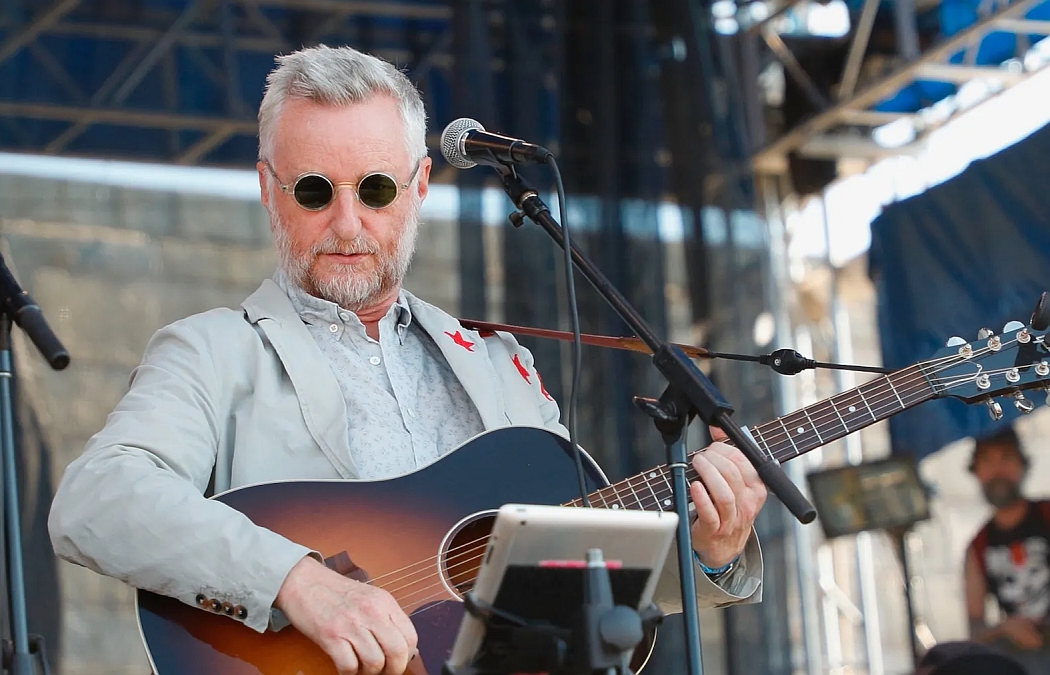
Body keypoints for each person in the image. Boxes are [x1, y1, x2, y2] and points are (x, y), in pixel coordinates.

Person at [48, 44, 767, 675]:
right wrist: (296, 580)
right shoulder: (211, 352)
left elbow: (570, 570)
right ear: (269, 190)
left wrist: (708, 551)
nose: (347, 223)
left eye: (376, 189)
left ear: (419, 186)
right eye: (313, 191)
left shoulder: (498, 364)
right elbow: (96, 500)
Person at [964, 426, 1050, 672]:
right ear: (976, 471)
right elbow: (975, 628)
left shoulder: (1047, 515)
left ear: (1022, 464)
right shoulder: (978, 546)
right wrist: (1005, 628)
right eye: (987, 461)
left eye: (1006, 458)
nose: (997, 470)